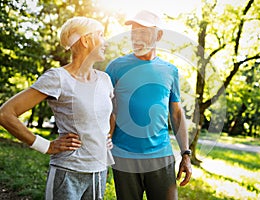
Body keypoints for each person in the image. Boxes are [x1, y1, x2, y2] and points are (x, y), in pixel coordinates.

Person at [0, 16, 114, 200]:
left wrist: (106, 136)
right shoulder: (58, 78)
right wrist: (46, 145)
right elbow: (5, 114)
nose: (105, 42)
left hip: (99, 171)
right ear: (85, 40)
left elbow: (110, 114)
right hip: (68, 172)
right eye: (100, 35)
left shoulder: (104, 80)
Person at [105, 10, 192, 200]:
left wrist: (185, 153)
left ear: (158, 35)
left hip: (161, 156)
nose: (137, 37)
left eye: (143, 32)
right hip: (124, 156)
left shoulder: (170, 71)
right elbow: (103, 109)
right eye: (134, 32)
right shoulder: (115, 67)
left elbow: (176, 114)